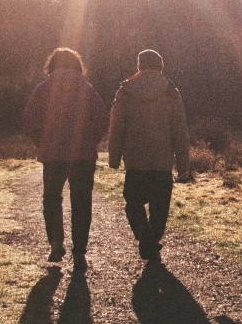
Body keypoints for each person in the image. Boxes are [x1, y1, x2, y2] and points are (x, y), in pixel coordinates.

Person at [22, 48, 109, 268]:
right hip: (82, 154)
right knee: (81, 201)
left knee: (51, 198)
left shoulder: (43, 89)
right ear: (77, 65)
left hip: (52, 153)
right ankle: (79, 250)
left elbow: (29, 120)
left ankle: (55, 243)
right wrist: (92, 140)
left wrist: (40, 143)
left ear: (52, 65)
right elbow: (101, 119)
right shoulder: (87, 89)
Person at [108, 50, 191, 262]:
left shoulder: (125, 91)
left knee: (133, 203)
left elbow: (116, 127)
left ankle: (145, 237)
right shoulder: (171, 92)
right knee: (160, 208)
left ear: (139, 66)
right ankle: (151, 239)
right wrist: (183, 166)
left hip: (135, 161)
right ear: (161, 65)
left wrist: (114, 157)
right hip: (162, 162)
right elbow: (180, 130)